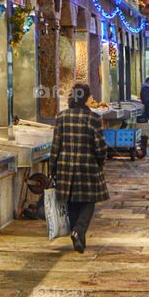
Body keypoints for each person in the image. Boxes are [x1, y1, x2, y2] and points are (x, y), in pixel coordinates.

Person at [49, 82, 109, 253]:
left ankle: (77, 234)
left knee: (72, 203)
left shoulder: (61, 117)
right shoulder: (94, 119)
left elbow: (56, 146)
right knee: (88, 201)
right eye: (90, 96)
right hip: (88, 167)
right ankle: (79, 231)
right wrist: (100, 161)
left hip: (65, 169)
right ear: (84, 98)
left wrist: (52, 169)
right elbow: (100, 147)